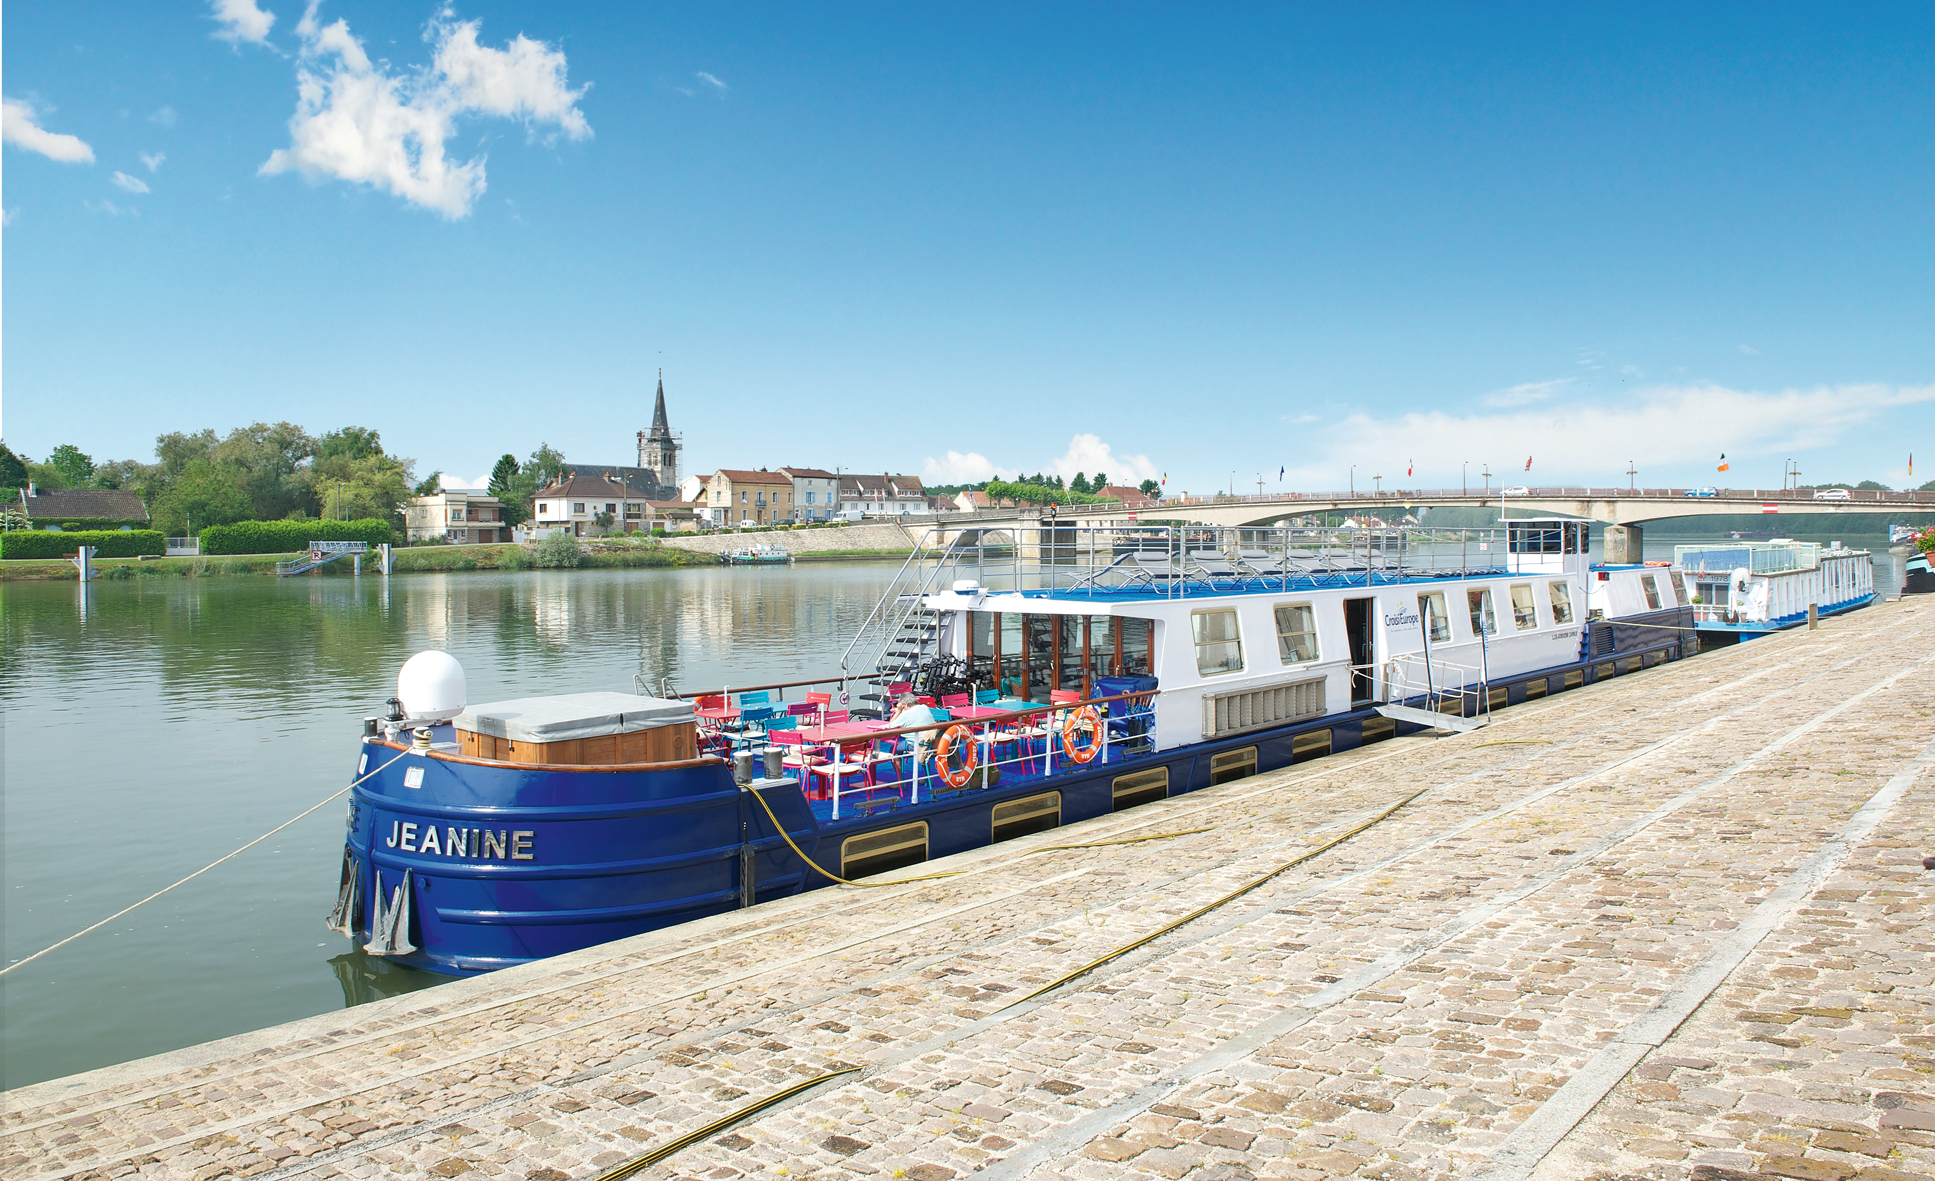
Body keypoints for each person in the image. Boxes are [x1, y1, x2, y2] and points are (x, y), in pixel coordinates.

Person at [888, 691, 940, 771]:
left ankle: (900, 782)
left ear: (904, 704)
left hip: (917, 744)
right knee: (923, 741)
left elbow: (890, 725)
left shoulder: (905, 714)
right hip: (931, 742)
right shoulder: (924, 707)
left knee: (893, 750)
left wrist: (898, 711)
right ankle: (927, 776)